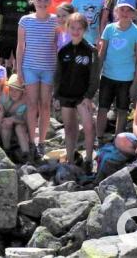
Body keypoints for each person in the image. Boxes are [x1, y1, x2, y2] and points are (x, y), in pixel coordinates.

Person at [54, 13, 100, 170]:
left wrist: (89, 96)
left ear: (85, 30)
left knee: (88, 126)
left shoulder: (91, 50)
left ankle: (88, 159)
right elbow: (58, 75)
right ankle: (71, 160)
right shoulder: (63, 50)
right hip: (66, 95)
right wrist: (56, 96)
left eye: (79, 28)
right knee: (69, 128)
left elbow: (95, 76)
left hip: (83, 97)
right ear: (67, 28)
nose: (75, 31)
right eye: (72, 28)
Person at [17, 0, 59, 160]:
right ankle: (31, 142)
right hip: (30, 67)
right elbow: (20, 46)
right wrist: (18, 69)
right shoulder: (25, 20)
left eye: (45, 0)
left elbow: (58, 45)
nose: (42, 3)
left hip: (49, 67)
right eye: (39, 0)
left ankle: (41, 142)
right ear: (33, 1)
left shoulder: (56, 20)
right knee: (32, 104)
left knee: (45, 105)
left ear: (50, 1)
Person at [96, 0, 137, 141]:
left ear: (134, 13)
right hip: (107, 76)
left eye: (129, 10)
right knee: (102, 108)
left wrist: (135, 82)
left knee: (122, 110)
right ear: (116, 11)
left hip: (126, 78)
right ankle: (99, 138)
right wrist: (96, 75)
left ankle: (119, 140)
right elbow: (102, 53)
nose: (125, 13)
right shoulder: (109, 29)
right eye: (122, 9)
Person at [1, 74, 30, 160]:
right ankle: (7, 151)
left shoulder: (26, 103)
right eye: (11, 90)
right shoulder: (6, 100)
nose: (13, 93)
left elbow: (26, 120)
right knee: (6, 123)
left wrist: (13, 119)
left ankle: (26, 154)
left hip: (23, 129)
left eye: (17, 90)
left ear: (22, 92)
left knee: (19, 128)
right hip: (8, 130)